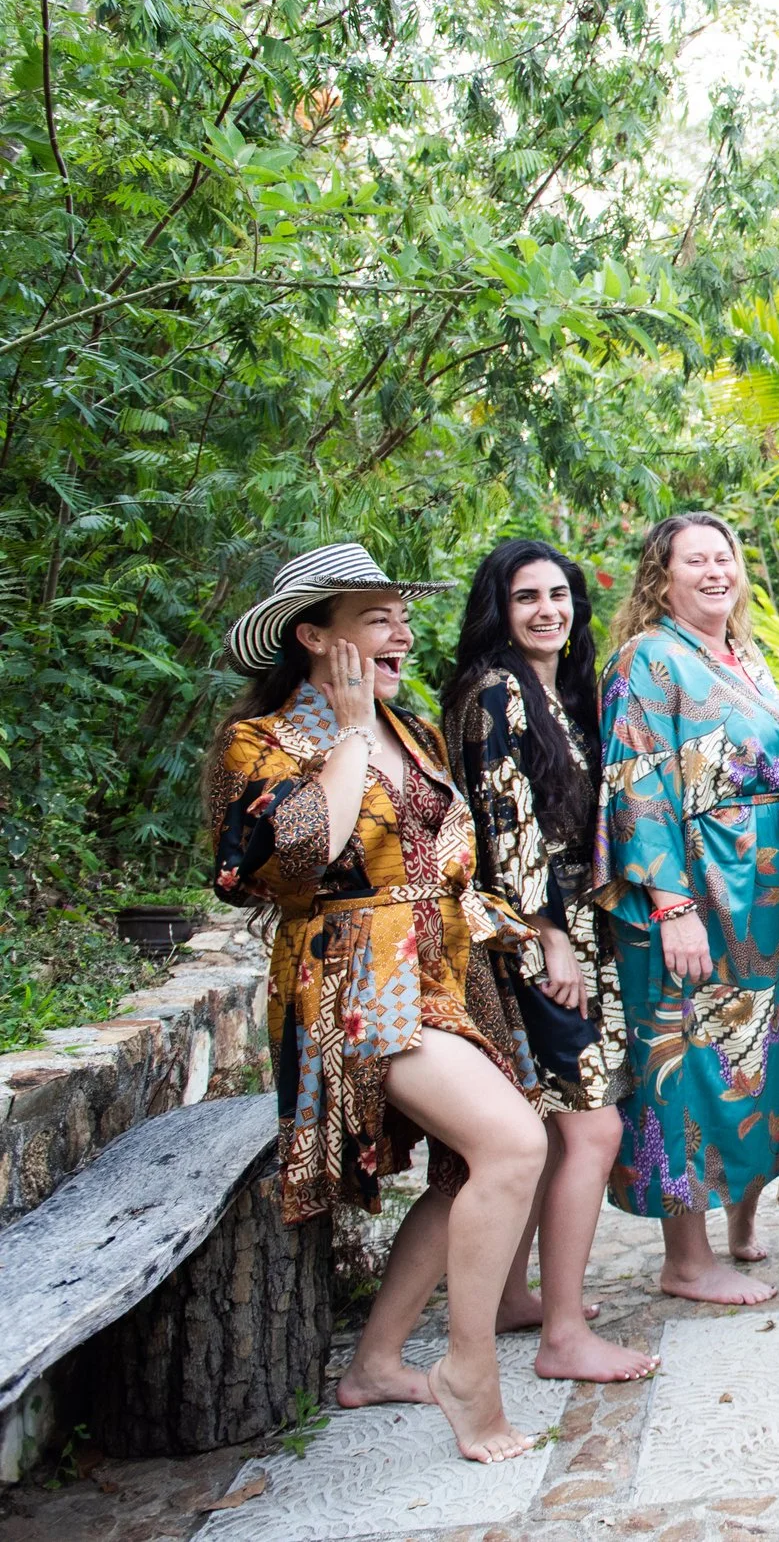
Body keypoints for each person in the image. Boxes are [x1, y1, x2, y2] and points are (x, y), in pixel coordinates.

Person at [207, 543, 546, 1463]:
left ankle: (375, 1362)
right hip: (355, 978)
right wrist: (350, 731)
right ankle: (468, 1373)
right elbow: (285, 865)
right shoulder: (263, 743)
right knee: (515, 1145)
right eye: (377, 617)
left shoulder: (417, 733)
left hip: (442, 968)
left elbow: (446, 859)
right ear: (315, 637)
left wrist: (528, 934)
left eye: (403, 614)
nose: (403, 631)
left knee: (463, 1168)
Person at [442, 541, 655, 1383]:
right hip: (532, 936)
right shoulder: (496, 691)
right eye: (526, 596)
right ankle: (564, 1334)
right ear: (498, 607)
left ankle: (513, 1300)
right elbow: (507, 829)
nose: (546, 610)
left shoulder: (551, 691)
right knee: (590, 1128)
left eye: (558, 595)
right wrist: (550, 936)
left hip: (558, 928)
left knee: (546, 1124)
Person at [593, 512, 779, 1305]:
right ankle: (686, 1261)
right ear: (662, 576)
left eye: (725, 557)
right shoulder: (648, 660)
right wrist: (671, 903)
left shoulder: (741, 656)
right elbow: (635, 781)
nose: (716, 571)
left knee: (754, 1054)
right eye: (696, 560)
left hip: (765, 899)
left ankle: (740, 1222)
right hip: (697, 891)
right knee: (683, 1061)